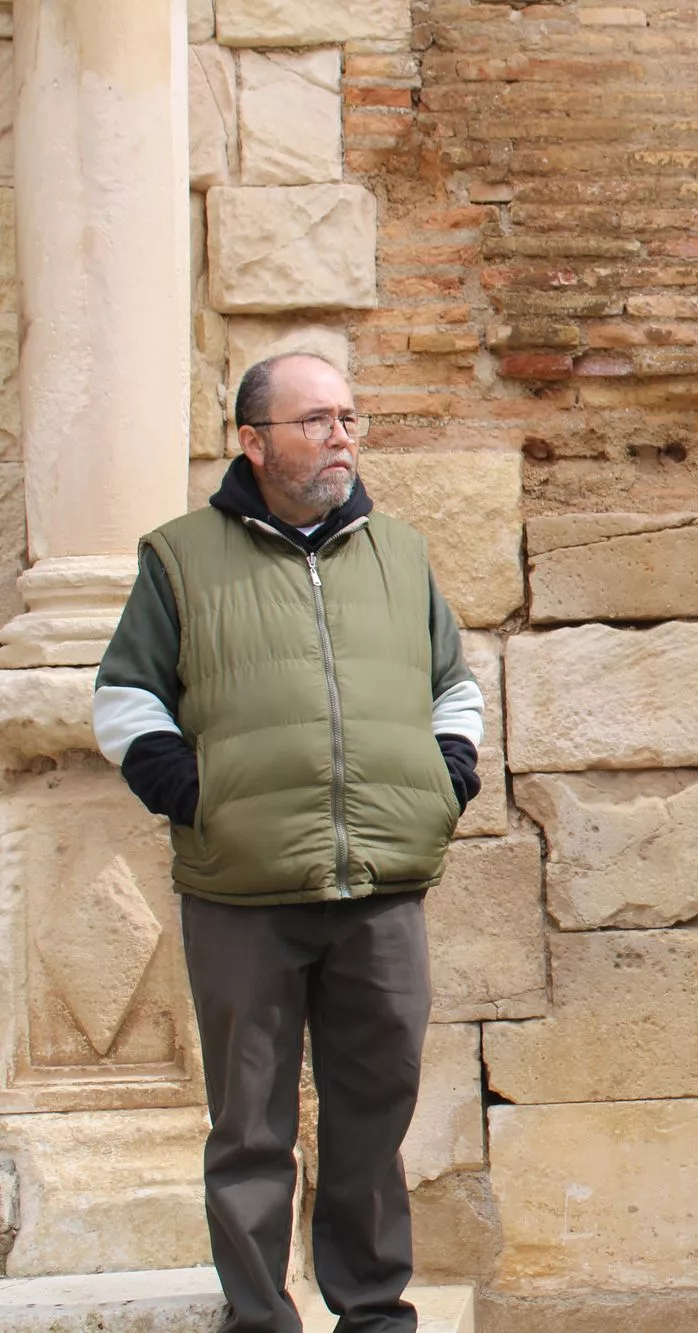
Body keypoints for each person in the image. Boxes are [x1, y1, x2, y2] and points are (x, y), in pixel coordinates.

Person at [90, 353, 484, 1333]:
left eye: (348, 417)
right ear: (253, 441)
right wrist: (197, 798)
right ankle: (261, 1315)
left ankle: (373, 1310)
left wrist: (446, 781)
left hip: (382, 885)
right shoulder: (179, 557)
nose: (340, 435)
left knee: (375, 1112)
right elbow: (125, 698)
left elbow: (454, 686)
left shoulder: (400, 552)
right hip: (242, 891)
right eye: (315, 420)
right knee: (250, 1123)